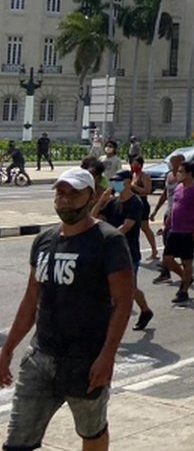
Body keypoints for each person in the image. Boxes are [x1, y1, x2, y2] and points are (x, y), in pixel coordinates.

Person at [1, 168, 134, 451]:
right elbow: (30, 299)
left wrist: (107, 356)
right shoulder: (44, 241)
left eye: (74, 193)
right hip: (41, 357)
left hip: (85, 362)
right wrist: (7, 350)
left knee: (92, 432)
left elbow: (123, 302)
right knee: (17, 442)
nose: (65, 199)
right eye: (61, 193)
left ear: (92, 196)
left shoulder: (108, 241)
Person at [99, 170, 154, 331]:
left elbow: (127, 226)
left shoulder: (135, 203)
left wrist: (110, 238)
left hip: (128, 252)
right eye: (114, 181)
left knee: (129, 289)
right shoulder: (112, 202)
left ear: (128, 182)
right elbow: (95, 218)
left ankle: (144, 310)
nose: (115, 184)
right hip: (110, 253)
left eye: (119, 181)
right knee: (110, 288)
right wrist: (101, 202)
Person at [155, 162, 194, 304]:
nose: (177, 173)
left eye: (181, 171)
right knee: (167, 259)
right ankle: (186, 278)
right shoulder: (178, 187)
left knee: (186, 261)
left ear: (189, 174)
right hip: (174, 229)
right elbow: (174, 207)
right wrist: (166, 224)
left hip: (188, 231)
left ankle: (183, 290)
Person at [150, 154, 186, 244]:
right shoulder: (169, 175)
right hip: (169, 212)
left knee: (177, 242)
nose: (170, 165)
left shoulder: (184, 178)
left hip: (180, 214)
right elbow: (165, 194)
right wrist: (155, 211)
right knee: (167, 242)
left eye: (173, 162)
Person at [129, 156, 160, 260]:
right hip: (133, 203)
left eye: (136, 164)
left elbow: (147, 190)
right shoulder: (133, 175)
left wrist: (134, 186)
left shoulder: (144, 176)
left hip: (142, 203)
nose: (134, 166)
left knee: (145, 227)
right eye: (133, 164)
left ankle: (154, 249)